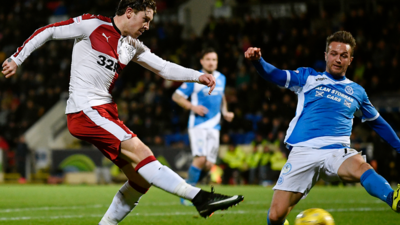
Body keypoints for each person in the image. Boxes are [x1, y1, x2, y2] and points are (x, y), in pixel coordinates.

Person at [1, 0, 244, 224]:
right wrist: (17, 58)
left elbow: (164, 68)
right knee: (142, 152)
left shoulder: (132, 45)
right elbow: (50, 30)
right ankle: (199, 198)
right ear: (129, 12)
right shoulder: (92, 25)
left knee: (140, 180)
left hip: (104, 111)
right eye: (145, 19)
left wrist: (197, 76)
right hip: (85, 110)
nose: (147, 26)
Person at [244, 31, 400, 225]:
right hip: (303, 151)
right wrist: (258, 61)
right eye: (333, 53)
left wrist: (399, 146)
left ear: (350, 60)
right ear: (326, 55)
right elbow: (274, 75)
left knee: (361, 166)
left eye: (343, 55)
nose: (338, 59)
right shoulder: (307, 77)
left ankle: (393, 198)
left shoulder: (358, 92)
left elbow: (378, 122)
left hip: (336, 151)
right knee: (276, 216)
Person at [172, 48, 234, 204]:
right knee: (200, 159)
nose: (211, 62)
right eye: (208, 59)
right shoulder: (196, 78)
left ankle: (189, 186)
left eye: (214, 60)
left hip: (215, 126)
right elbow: (176, 96)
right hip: (198, 124)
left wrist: (225, 111)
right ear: (202, 61)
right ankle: (187, 193)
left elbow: (221, 96)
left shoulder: (222, 78)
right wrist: (193, 107)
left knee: (209, 164)